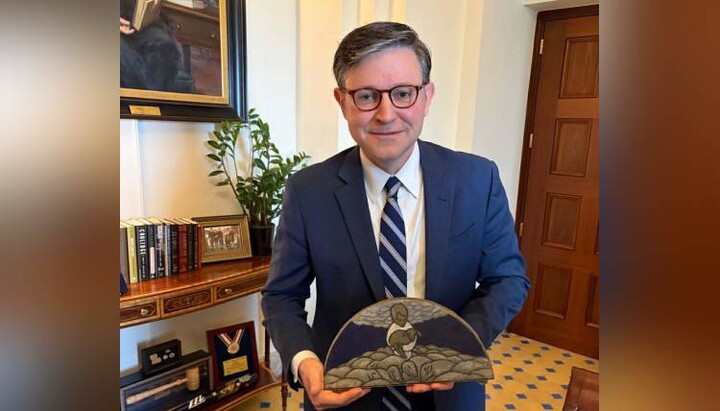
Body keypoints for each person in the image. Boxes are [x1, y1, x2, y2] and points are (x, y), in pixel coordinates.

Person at [261, 21, 530, 411]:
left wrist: (460, 343)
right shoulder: (308, 191)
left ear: (427, 96)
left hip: (450, 394)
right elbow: (282, 296)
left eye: (403, 93)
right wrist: (304, 363)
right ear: (342, 102)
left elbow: (507, 279)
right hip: (345, 394)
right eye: (367, 96)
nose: (386, 114)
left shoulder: (477, 179)